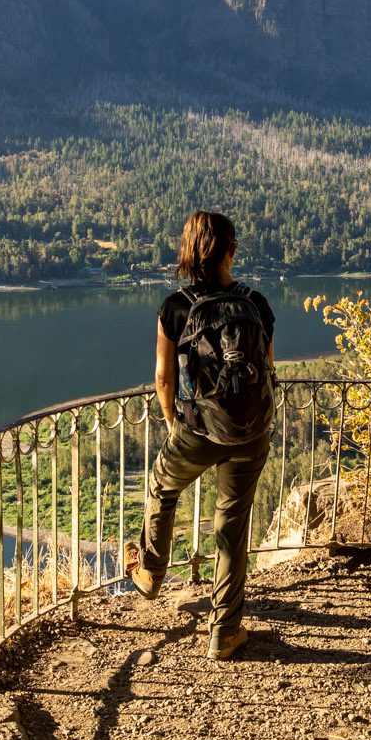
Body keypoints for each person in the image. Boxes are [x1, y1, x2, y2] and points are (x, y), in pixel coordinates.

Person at [128, 210, 276, 660]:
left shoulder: (175, 307)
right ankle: (225, 631)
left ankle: (151, 570)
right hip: (251, 431)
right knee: (231, 526)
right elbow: (267, 368)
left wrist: (174, 420)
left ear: (188, 253)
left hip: (198, 428)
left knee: (160, 485)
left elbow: (163, 377)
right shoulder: (258, 304)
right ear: (233, 250)